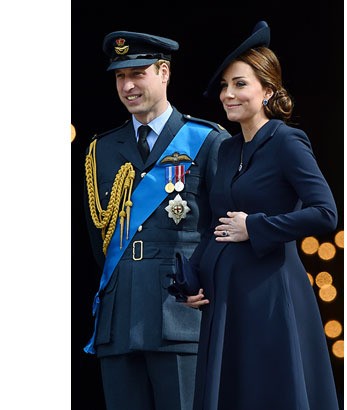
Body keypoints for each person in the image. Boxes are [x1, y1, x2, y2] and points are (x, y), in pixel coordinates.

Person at [169, 21, 340, 409]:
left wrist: (255, 226)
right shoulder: (227, 149)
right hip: (226, 300)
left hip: (269, 296)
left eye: (240, 84)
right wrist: (191, 279)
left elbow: (325, 213)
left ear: (268, 91)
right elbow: (216, 225)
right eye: (224, 86)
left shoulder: (287, 141)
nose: (228, 94)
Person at [82, 29, 230, 410]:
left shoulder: (207, 140)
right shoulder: (101, 149)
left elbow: (223, 227)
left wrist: (205, 284)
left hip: (180, 314)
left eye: (138, 73)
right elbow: (98, 240)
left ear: (164, 72)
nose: (127, 86)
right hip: (118, 319)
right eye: (120, 76)